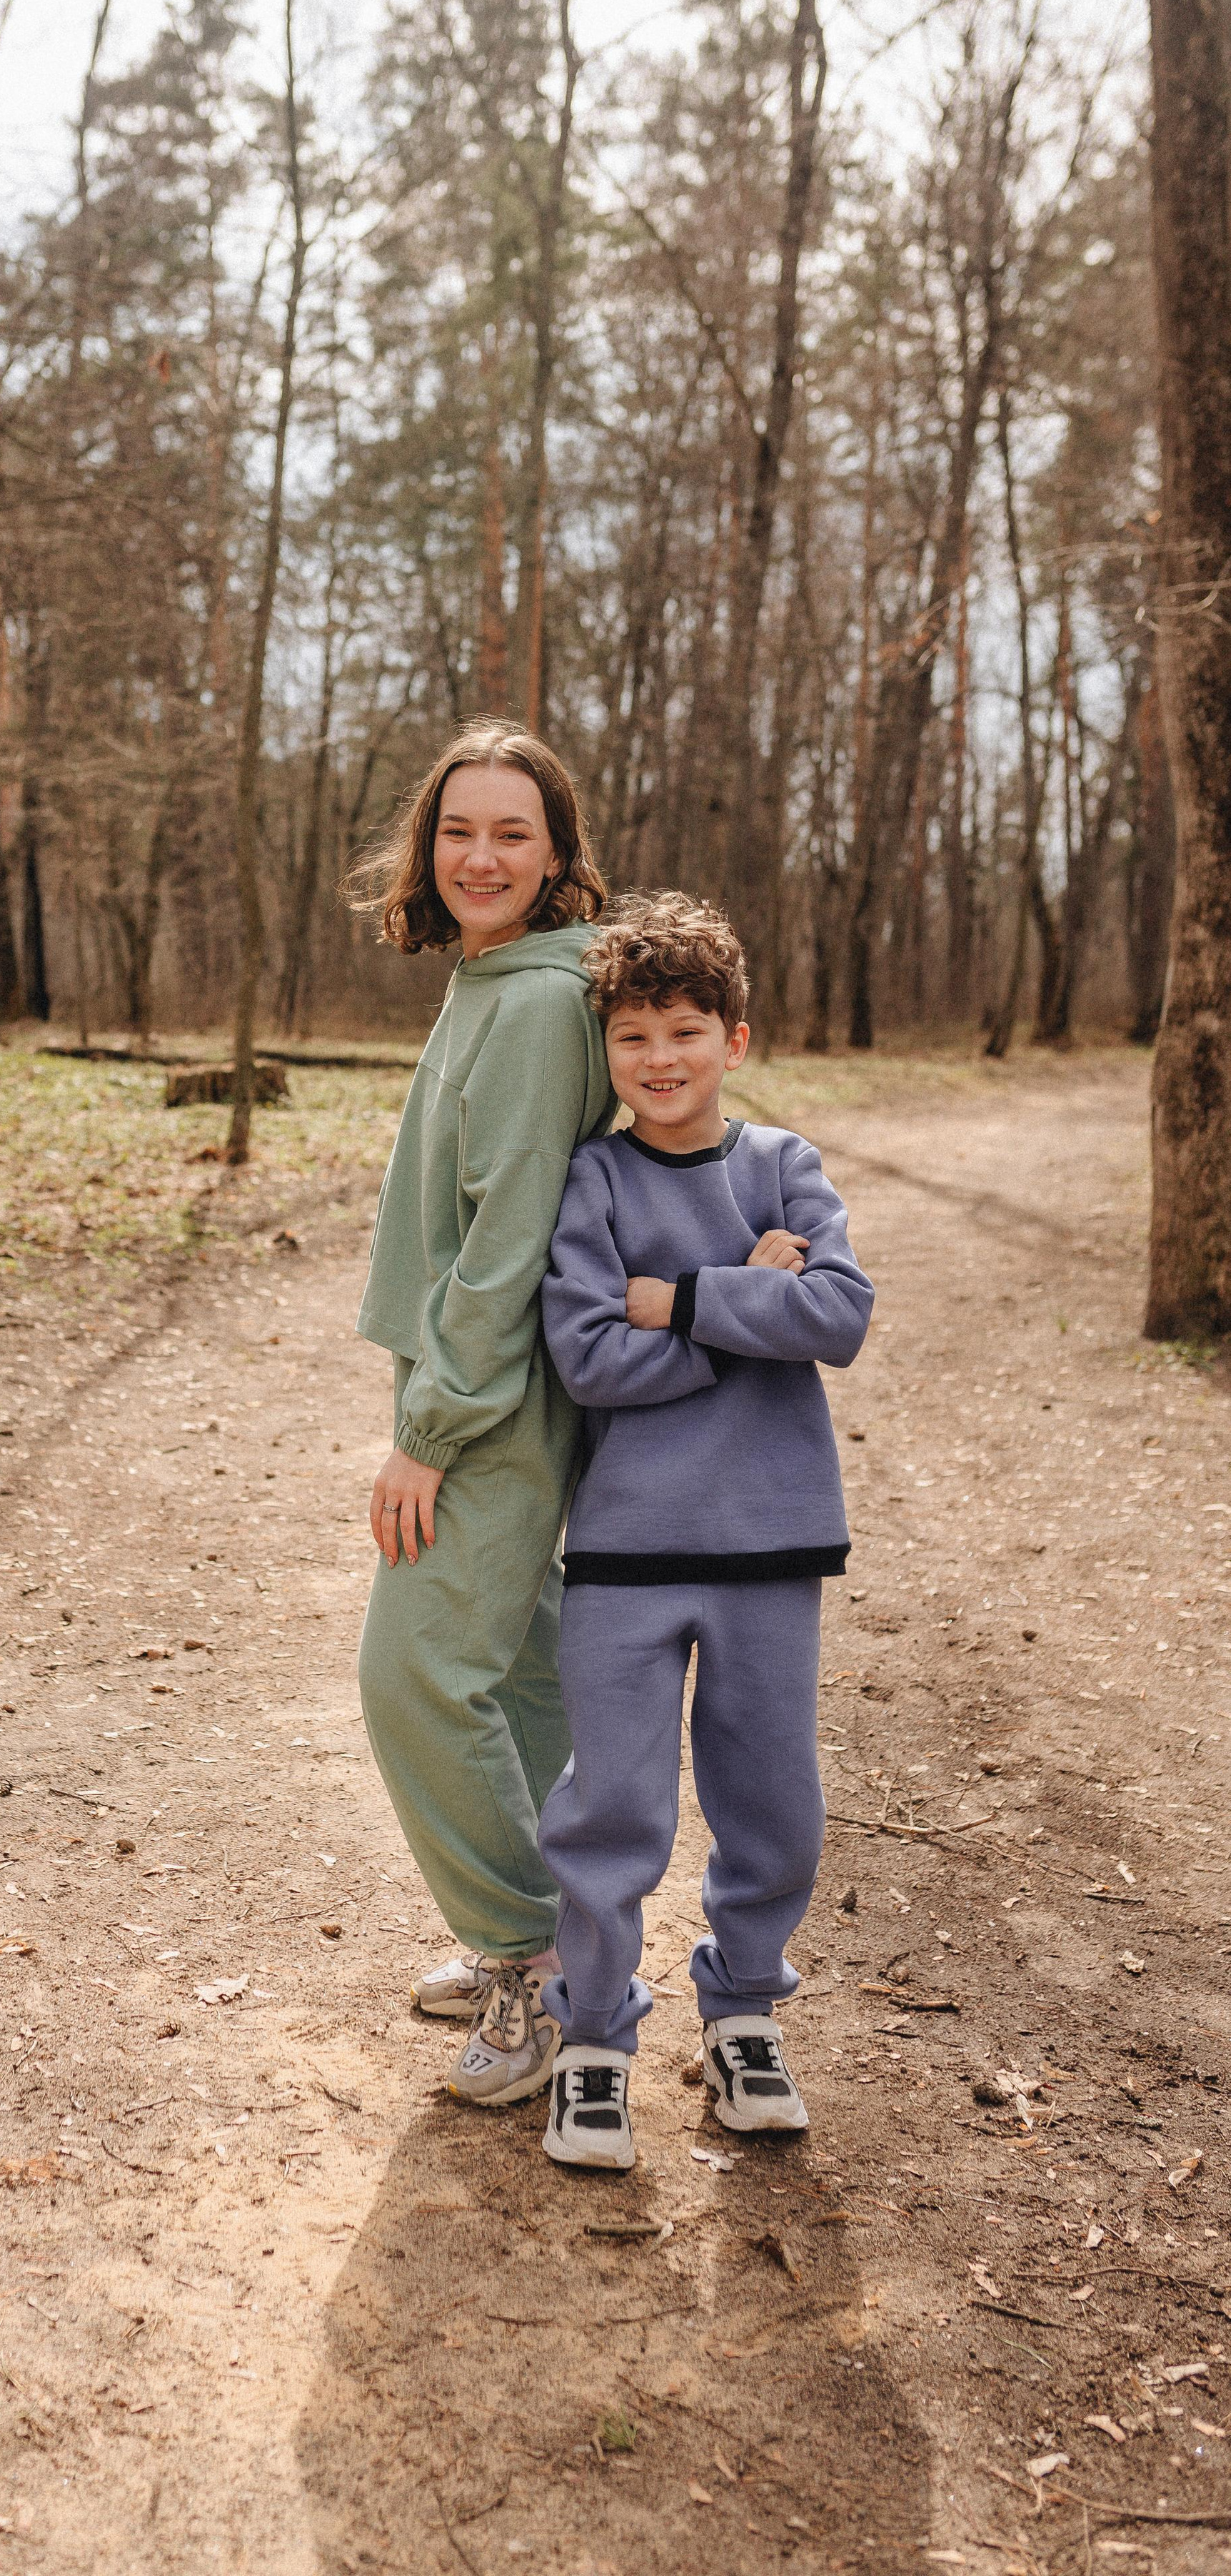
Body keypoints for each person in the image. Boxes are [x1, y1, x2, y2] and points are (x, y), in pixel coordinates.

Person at [532, 891, 873, 2169]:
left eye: (685, 1029)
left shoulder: (783, 1165)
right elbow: (583, 1354)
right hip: (625, 1549)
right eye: (632, 1036)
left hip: (772, 1547)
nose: (659, 1059)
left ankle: (743, 2010)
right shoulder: (594, 1178)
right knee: (612, 1803)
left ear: (737, 1038)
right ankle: (596, 2037)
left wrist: (671, 1300)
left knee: (773, 1801)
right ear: (607, 1051)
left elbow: (837, 1316)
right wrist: (743, 1303)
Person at [351, 717, 613, 2106]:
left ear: (558, 853)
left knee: (408, 1673)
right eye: (459, 829)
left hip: (492, 1401)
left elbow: (504, 1241)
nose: (480, 855)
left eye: (513, 831)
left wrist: (430, 1426)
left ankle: (527, 1957)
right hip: (476, 1380)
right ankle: (567, 1929)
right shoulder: (494, 979)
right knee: (515, 1670)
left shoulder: (527, 1004)